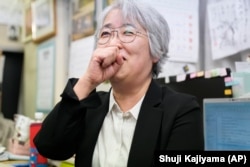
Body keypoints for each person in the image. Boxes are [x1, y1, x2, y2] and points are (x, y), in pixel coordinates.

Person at [34, 0, 204, 166]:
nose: (113, 44)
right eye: (105, 34)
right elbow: (49, 148)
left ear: (155, 51)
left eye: (128, 32)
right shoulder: (90, 106)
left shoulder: (182, 110)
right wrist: (88, 81)